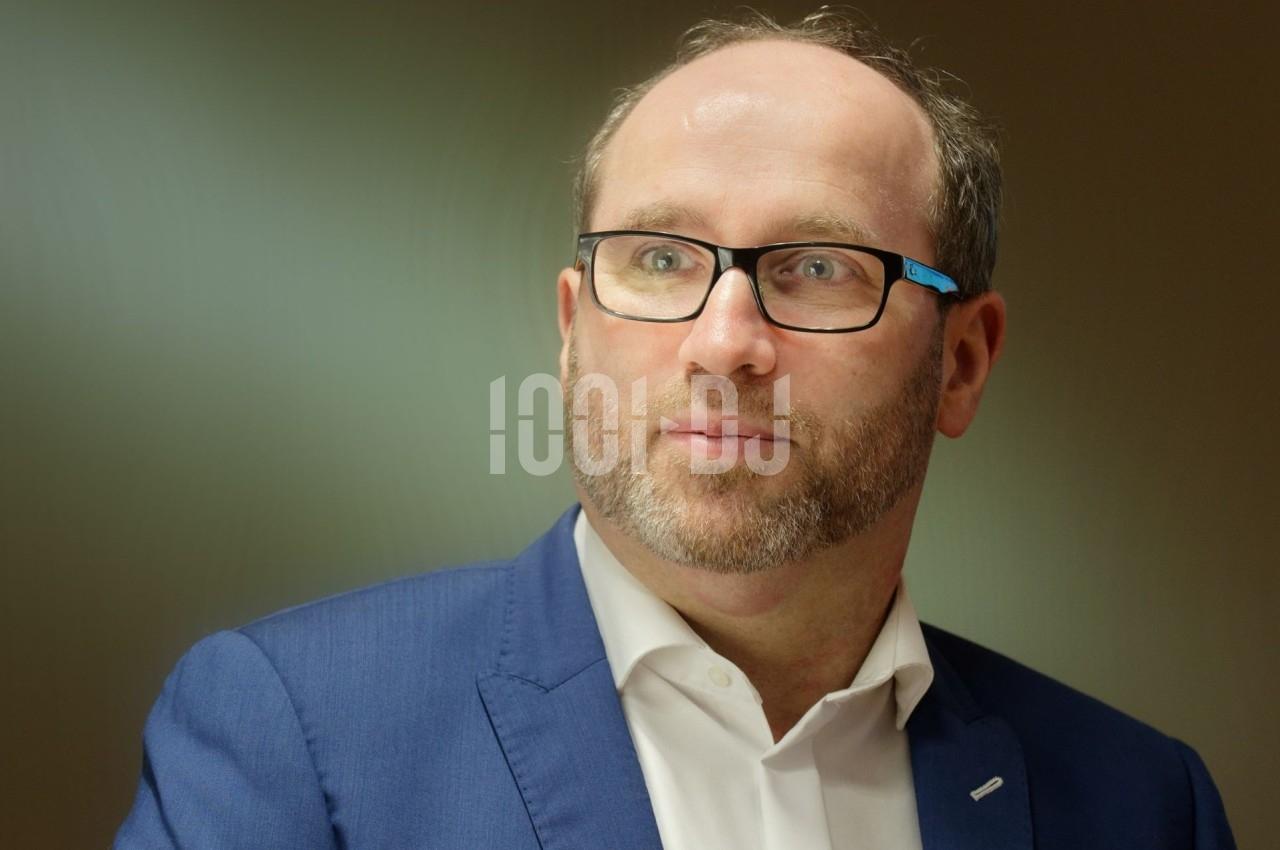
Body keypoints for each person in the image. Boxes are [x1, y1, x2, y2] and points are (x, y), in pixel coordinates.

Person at [114, 9, 1235, 850]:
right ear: (570, 329)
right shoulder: (291, 736)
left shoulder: (1141, 804)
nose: (722, 342)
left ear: (961, 362)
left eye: (815, 267)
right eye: (658, 258)